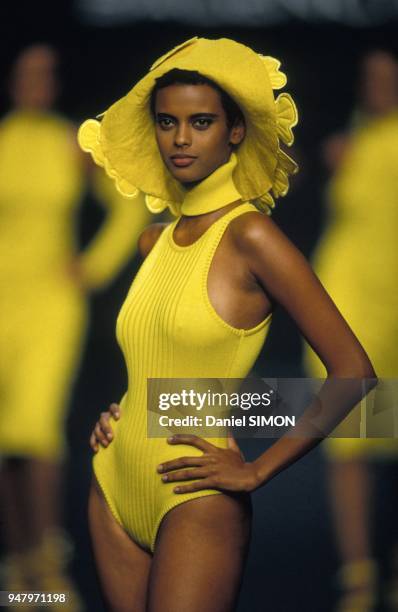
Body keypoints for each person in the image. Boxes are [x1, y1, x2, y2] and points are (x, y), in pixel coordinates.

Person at [80, 37, 377, 612]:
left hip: (197, 495)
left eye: (201, 122)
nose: (181, 138)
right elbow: (156, 368)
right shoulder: (152, 241)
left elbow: (356, 377)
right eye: (167, 122)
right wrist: (124, 410)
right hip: (111, 480)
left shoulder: (252, 238)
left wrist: (258, 467)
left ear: (235, 131)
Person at [0, 44, 152, 606]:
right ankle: (19, 571)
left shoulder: (72, 143)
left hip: (50, 301)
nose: (34, 83)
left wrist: (90, 269)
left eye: (44, 74)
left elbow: (129, 207)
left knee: (35, 428)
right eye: (25, 73)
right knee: (5, 435)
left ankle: (49, 564)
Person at [304, 50, 398, 612]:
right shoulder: (350, 144)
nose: (380, 86)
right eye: (372, 78)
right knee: (348, 431)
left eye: (391, 77)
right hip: (349, 293)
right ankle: (358, 576)